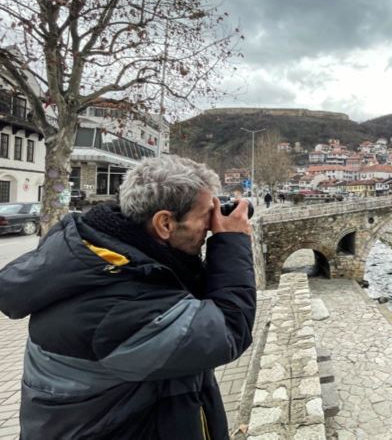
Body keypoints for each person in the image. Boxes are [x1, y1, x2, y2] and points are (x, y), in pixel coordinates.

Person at [0, 156, 255, 440]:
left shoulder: (115, 261)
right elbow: (228, 330)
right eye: (205, 215)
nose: (211, 225)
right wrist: (232, 242)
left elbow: (192, 302)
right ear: (165, 223)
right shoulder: (115, 307)